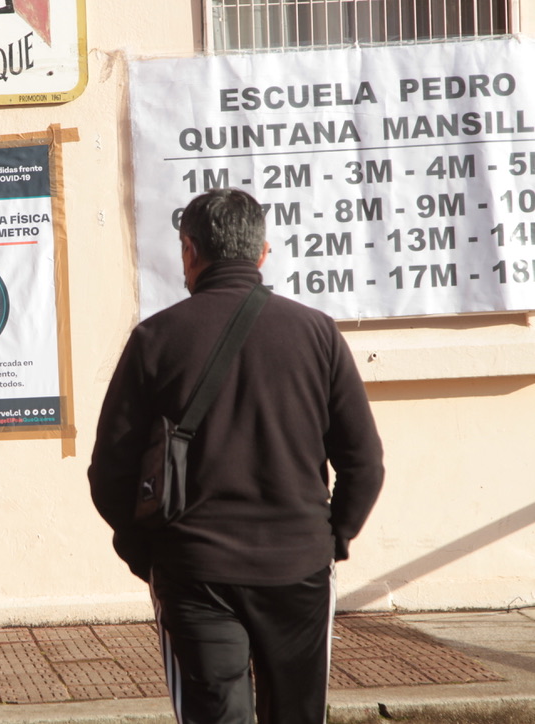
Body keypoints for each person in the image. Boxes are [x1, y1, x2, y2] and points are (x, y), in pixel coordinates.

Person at [88, 188, 385, 724]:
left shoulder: (155, 339)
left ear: (189, 250)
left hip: (193, 570)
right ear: (262, 253)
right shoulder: (317, 334)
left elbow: (110, 472)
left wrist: (147, 553)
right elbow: (363, 462)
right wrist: (330, 540)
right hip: (298, 566)